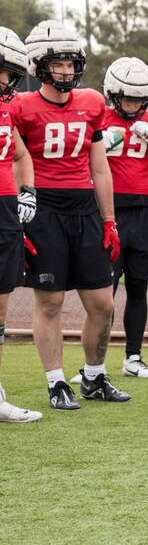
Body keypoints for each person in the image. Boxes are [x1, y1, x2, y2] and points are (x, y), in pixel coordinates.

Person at [16, 20, 129, 410]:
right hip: (44, 208)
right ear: (38, 65)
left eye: (70, 63)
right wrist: (20, 215)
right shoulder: (20, 106)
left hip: (84, 208)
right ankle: (55, 382)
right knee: (50, 301)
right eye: (58, 63)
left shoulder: (93, 102)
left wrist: (109, 219)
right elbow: (12, 161)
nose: (66, 70)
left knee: (103, 303)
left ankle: (94, 377)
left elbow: (100, 167)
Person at [100, 57, 148, 379]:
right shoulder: (97, 117)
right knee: (103, 292)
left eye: (139, 98)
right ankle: (95, 362)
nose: (133, 104)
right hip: (108, 211)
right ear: (112, 93)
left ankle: (133, 357)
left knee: (138, 286)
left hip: (143, 212)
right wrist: (98, 147)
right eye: (127, 97)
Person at [0, 27, 41, 422]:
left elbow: (20, 155)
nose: (6, 81)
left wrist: (27, 192)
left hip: (5, 210)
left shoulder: (6, 108)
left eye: (10, 73)